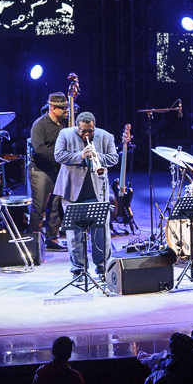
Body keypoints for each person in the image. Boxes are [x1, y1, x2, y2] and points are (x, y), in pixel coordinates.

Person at [53, 112, 118, 278]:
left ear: (93, 126)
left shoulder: (106, 136)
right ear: (77, 126)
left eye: (90, 131)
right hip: (72, 191)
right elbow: (58, 155)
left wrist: (96, 155)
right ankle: (78, 270)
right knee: (74, 234)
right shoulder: (65, 134)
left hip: (97, 191)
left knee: (101, 233)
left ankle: (103, 268)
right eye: (83, 131)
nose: (86, 134)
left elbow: (114, 158)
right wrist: (81, 155)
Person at [30, 93, 69, 252]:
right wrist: (60, 157)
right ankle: (33, 241)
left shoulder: (63, 123)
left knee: (54, 207)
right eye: (62, 108)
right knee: (39, 208)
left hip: (56, 170)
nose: (66, 111)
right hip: (40, 171)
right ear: (52, 108)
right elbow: (39, 149)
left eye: (66, 108)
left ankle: (52, 239)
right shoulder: (39, 125)